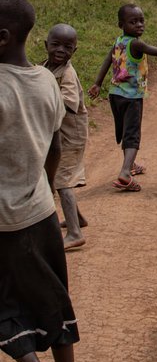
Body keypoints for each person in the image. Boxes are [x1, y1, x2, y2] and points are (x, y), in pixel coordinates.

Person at [0, 0, 84, 362]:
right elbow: (53, 146)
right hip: (40, 211)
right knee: (55, 297)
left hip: (4, 222)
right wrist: (45, 190)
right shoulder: (46, 82)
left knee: (5, 303)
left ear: (1, 37)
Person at [88, 4, 157, 191]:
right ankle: (125, 173)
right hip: (131, 97)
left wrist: (98, 83)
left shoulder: (119, 40)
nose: (139, 25)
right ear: (121, 24)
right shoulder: (136, 44)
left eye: (141, 21)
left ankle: (131, 164)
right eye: (133, 22)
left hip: (115, 94)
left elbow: (107, 60)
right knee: (132, 135)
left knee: (125, 131)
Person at [43, 24, 89, 250]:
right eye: (56, 45)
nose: (61, 50)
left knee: (62, 181)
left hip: (71, 137)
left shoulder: (68, 74)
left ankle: (74, 233)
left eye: (67, 47)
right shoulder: (44, 69)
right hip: (59, 136)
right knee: (59, 177)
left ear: (75, 51)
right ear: (46, 45)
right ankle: (77, 218)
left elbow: (69, 105)